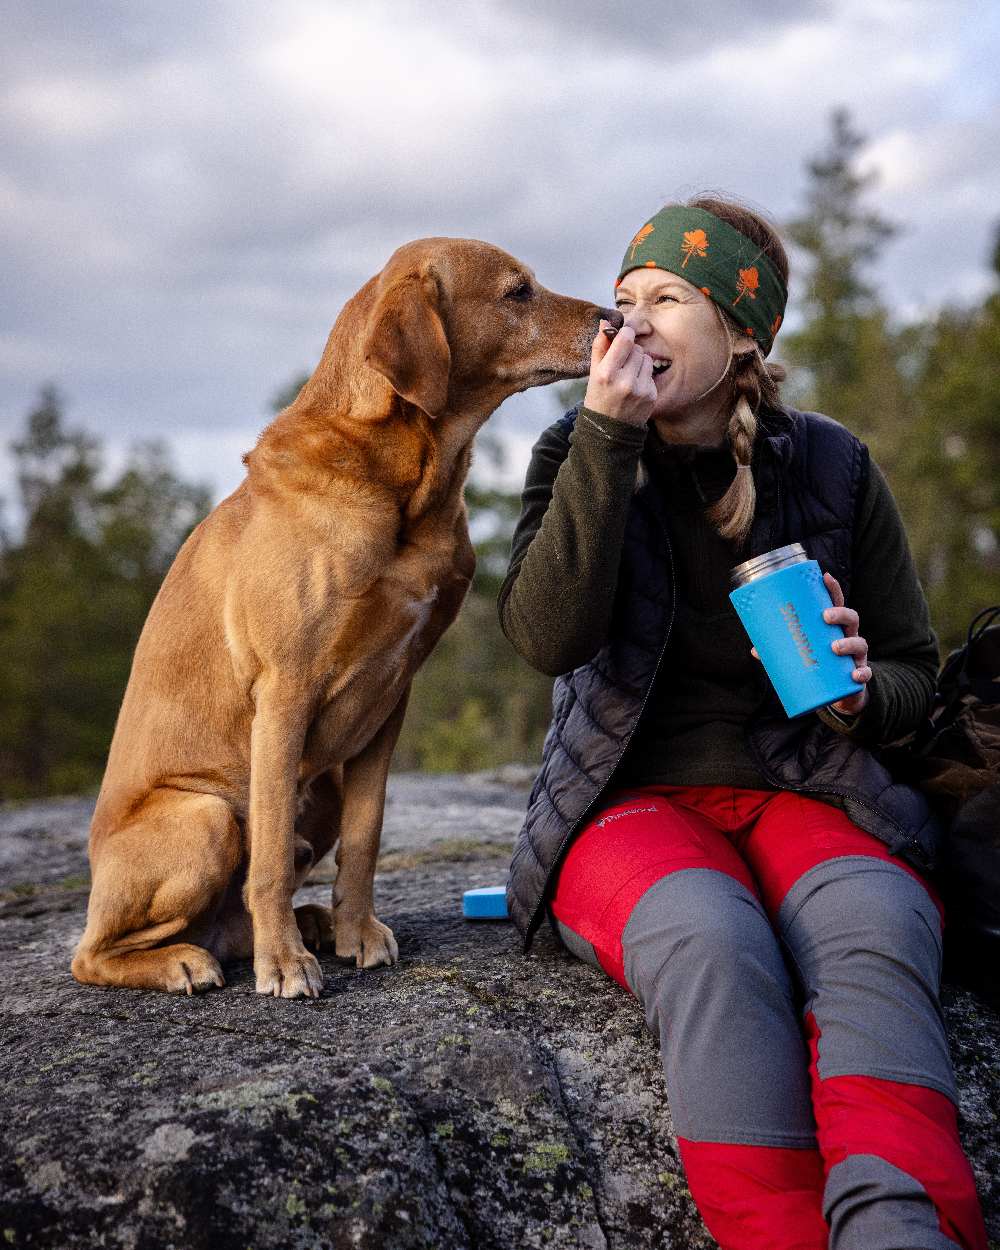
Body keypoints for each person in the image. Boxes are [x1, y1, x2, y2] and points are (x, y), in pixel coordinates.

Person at [499, 196, 988, 1249]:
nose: (631, 320)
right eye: (623, 299)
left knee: (876, 921)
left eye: (668, 298)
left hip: (807, 783)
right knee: (712, 940)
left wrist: (862, 691)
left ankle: (900, 1231)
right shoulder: (575, 452)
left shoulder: (831, 465)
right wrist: (605, 441)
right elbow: (546, 636)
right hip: (624, 801)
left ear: (742, 335)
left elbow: (914, 673)